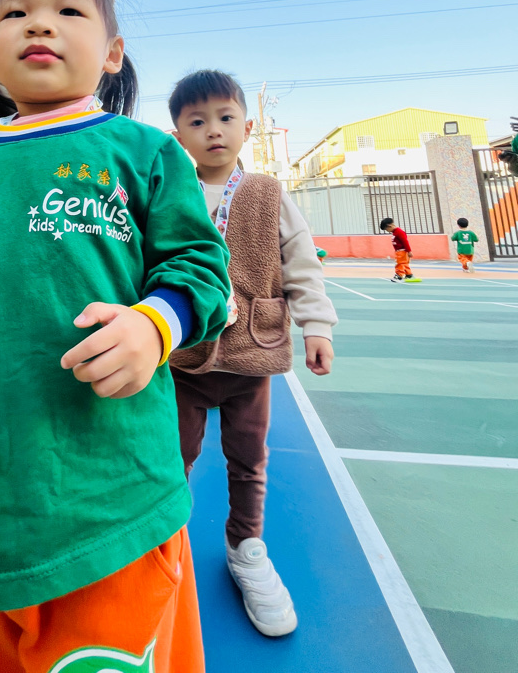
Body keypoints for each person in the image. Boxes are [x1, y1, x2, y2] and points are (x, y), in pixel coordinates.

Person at [0, 0, 232, 673]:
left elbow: (203, 268)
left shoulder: (145, 153)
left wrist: (153, 325)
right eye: (16, 13)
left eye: (68, 11)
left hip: (111, 505)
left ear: (112, 52)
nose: (40, 24)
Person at [167, 70, 337, 637]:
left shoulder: (267, 192)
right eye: (197, 121)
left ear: (247, 126)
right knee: (172, 456)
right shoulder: (170, 191)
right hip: (183, 358)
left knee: (248, 459)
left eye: (225, 117)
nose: (213, 130)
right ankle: (163, 544)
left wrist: (317, 326)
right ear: (179, 135)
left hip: (251, 354)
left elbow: (301, 263)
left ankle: (246, 547)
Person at [379, 217, 419, 282]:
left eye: (386, 229)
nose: (387, 231)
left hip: (402, 251)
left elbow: (405, 241)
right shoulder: (395, 232)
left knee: (399, 263)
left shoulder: (399, 232)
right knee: (404, 263)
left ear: (389, 226)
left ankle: (399, 276)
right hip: (399, 251)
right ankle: (409, 275)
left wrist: (409, 251)